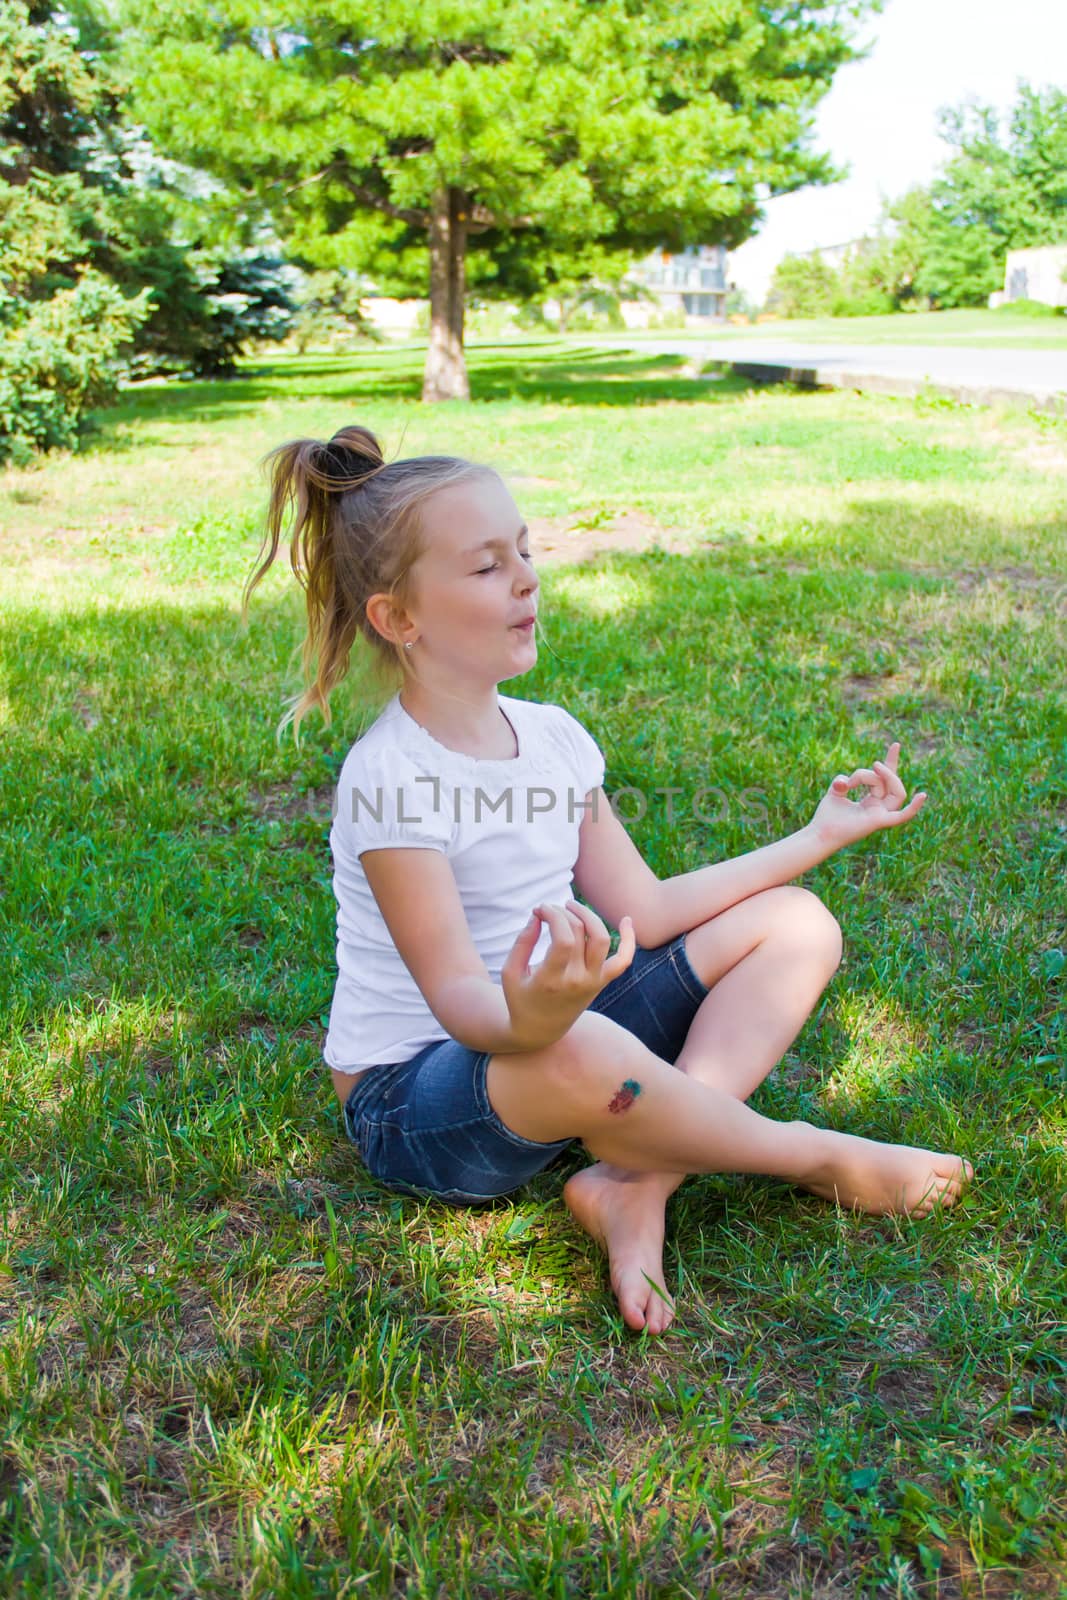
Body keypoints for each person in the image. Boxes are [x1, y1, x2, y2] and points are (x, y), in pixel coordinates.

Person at [242, 424, 973, 1336]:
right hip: (419, 1097)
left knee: (795, 925)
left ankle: (636, 1184)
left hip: (551, 1026)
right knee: (581, 1049)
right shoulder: (391, 777)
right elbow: (462, 1000)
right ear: (399, 618)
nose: (525, 578)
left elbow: (649, 910)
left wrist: (817, 836)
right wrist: (544, 1015)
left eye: (526, 551)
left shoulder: (551, 737)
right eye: (484, 567)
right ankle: (815, 1158)